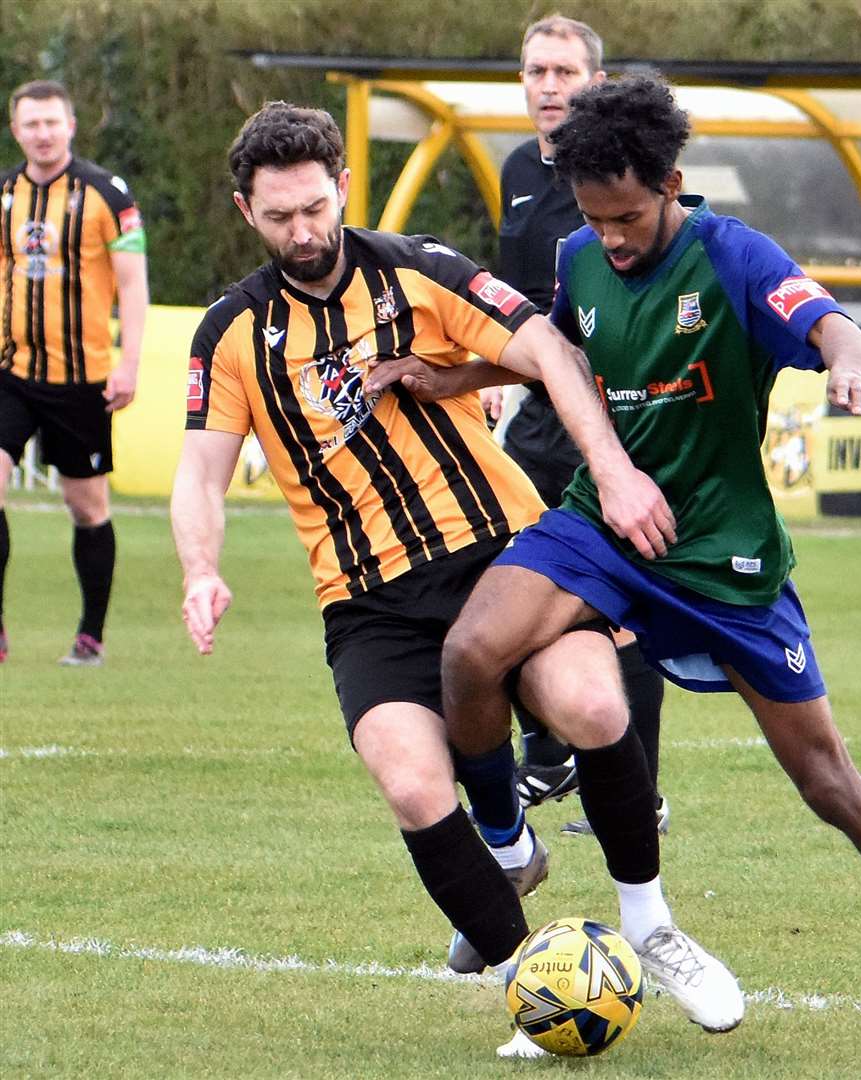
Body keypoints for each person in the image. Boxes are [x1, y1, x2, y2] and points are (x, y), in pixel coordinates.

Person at [430, 77, 861, 1058]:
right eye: (596, 218)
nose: (614, 237)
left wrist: (845, 362)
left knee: (828, 782)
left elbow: (830, 323)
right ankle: (508, 853)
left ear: (672, 183)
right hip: (603, 525)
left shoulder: (732, 256)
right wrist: (450, 375)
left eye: (629, 216)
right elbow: (555, 348)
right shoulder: (579, 257)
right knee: (471, 650)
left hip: (726, 555)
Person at [169, 101, 743, 1060]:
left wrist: (607, 468)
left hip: (506, 554)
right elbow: (200, 473)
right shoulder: (229, 335)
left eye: (315, 207)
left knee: (595, 706)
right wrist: (199, 568)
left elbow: (547, 351)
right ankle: (537, 984)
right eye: (279, 219)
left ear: (343, 186)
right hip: (369, 600)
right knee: (404, 775)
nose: (304, 233)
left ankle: (650, 924)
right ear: (246, 212)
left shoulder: (419, 270)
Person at [492, 13, 669, 835]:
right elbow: (517, 299)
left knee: (624, 605)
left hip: (615, 413)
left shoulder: (627, 171)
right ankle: (549, 753)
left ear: (596, 83)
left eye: (565, 71)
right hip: (536, 413)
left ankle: (642, 793)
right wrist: (487, 371)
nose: (549, 86)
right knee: (513, 571)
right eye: (536, 71)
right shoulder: (518, 170)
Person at [0, 80, 148, 666]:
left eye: (51, 123)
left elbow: (133, 285)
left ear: (71, 125)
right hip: (9, 372)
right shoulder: (3, 193)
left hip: (82, 378)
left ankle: (90, 636)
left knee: (87, 507)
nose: (41, 134)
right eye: (30, 124)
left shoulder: (108, 194)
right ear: (16, 130)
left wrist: (129, 362)